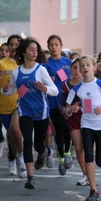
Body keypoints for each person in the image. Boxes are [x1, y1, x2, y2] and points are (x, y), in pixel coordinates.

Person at [2, 37, 58, 189]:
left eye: (36, 50)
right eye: (31, 50)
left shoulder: (41, 70)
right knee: (27, 141)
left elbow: (55, 90)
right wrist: (5, 90)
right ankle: (31, 177)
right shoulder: (16, 72)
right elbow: (11, 92)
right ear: (24, 52)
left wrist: (45, 89)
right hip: (24, 110)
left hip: (41, 111)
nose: (34, 52)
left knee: (38, 144)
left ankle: (42, 152)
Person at [66, 56, 101, 201]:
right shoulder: (76, 88)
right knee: (88, 157)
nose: (84, 68)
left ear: (94, 67)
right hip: (86, 125)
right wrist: (72, 109)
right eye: (81, 65)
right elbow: (66, 109)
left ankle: (95, 182)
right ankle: (93, 191)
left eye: (87, 65)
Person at [0, 35, 27, 178]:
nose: (14, 46)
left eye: (17, 44)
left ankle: (20, 158)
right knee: (11, 136)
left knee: (16, 130)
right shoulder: (1, 64)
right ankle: (12, 158)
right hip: (4, 104)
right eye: (11, 44)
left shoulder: (26, 63)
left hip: (21, 104)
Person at [43, 35, 73, 175]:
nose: (54, 47)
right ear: (48, 47)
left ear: (61, 46)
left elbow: (76, 78)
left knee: (67, 128)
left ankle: (67, 152)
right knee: (58, 130)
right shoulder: (45, 65)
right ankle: (61, 158)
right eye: (51, 45)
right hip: (53, 102)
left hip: (68, 101)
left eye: (56, 44)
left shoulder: (69, 62)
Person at [60, 58, 87, 183]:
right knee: (78, 146)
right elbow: (62, 107)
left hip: (88, 119)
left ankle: (89, 170)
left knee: (88, 148)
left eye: (79, 68)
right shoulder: (65, 86)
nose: (77, 70)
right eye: (74, 68)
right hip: (73, 120)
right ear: (70, 69)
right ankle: (85, 174)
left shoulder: (89, 83)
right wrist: (70, 110)